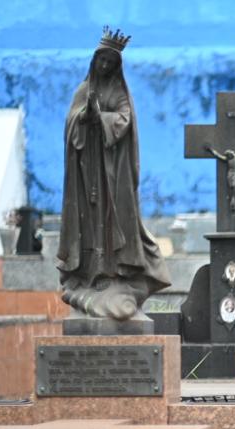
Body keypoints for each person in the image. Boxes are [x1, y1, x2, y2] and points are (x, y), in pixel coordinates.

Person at [57, 28, 170, 321]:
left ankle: (118, 274)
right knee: (91, 224)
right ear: (95, 62)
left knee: (114, 223)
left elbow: (124, 119)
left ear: (116, 65)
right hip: (87, 174)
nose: (105, 66)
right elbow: (71, 125)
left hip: (113, 175)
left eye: (110, 62)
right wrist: (84, 117)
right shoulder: (83, 91)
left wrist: (102, 119)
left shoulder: (119, 92)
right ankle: (90, 277)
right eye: (102, 61)